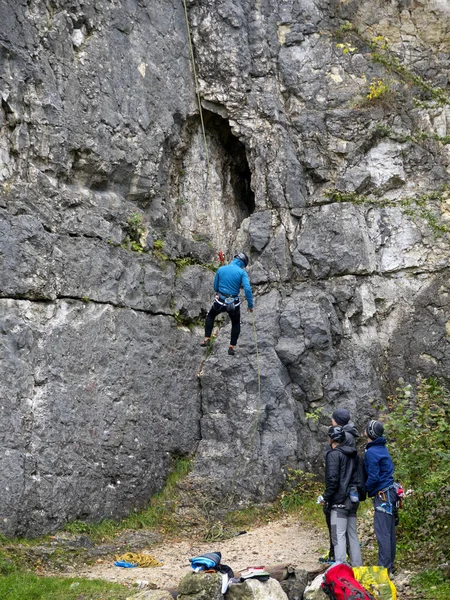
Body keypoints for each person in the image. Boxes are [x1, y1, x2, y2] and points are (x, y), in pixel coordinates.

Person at [320, 408, 361, 564]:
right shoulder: (354, 453)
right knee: (352, 535)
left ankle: (340, 571)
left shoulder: (334, 455)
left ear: (332, 439)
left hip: (339, 500)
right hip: (353, 497)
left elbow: (333, 479)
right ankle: (358, 568)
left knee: (338, 536)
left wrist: (326, 497)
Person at [201, 252, 254, 355]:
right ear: (242, 263)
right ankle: (231, 347)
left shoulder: (221, 269)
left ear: (235, 259)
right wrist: (250, 305)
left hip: (220, 300)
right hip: (233, 303)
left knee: (211, 315)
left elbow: (215, 287)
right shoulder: (242, 273)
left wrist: (219, 292)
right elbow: (247, 289)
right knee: (235, 323)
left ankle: (207, 338)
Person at [364, 419, 397, 576]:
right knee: (389, 531)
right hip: (390, 493)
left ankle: (384, 570)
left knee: (382, 532)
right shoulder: (382, 448)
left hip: (382, 495)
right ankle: (389, 567)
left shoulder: (371, 452)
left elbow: (373, 477)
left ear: (370, 433)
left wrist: (364, 490)